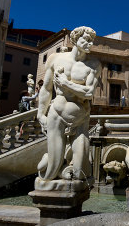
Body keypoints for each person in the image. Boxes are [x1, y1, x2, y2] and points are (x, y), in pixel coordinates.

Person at [37, 26, 102, 181]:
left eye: (91, 41)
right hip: (57, 113)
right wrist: (40, 114)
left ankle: (73, 187)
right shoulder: (55, 58)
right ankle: (48, 168)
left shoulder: (94, 64)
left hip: (80, 117)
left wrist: (65, 83)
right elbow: (46, 89)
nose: (89, 44)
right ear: (75, 40)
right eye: (85, 40)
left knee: (81, 170)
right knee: (52, 168)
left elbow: (88, 93)